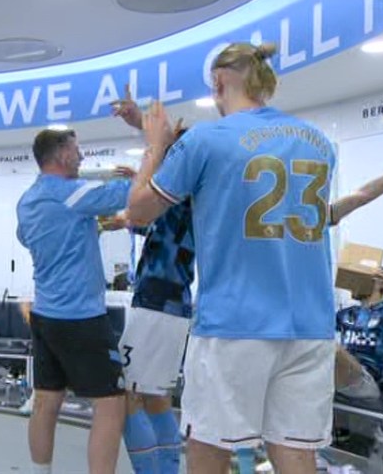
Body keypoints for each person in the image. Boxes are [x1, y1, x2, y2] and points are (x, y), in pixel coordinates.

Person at [103, 84, 383, 472]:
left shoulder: (205, 187)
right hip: (297, 330)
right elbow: (361, 195)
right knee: (276, 442)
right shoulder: (258, 202)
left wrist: (152, 147)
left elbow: (141, 206)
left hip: (217, 321)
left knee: (194, 429)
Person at [118, 42, 337, 473]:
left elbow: (139, 210)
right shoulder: (319, 142)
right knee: (296, 453)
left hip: (234, 326)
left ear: (219, 82)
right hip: (311, 326)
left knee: (210, 448)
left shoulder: (206, 138)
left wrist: (154, 146)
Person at [16, 128, 130, 474]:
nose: (81, 157)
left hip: (46, 315)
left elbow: (28, 237)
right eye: (77, 149)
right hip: (80, 317)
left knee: (46, 401)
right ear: (63, 154)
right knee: (111, 405)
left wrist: (86, 230)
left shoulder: (28, 200)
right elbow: (127, 194)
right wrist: (149, 164)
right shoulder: (69, 193)